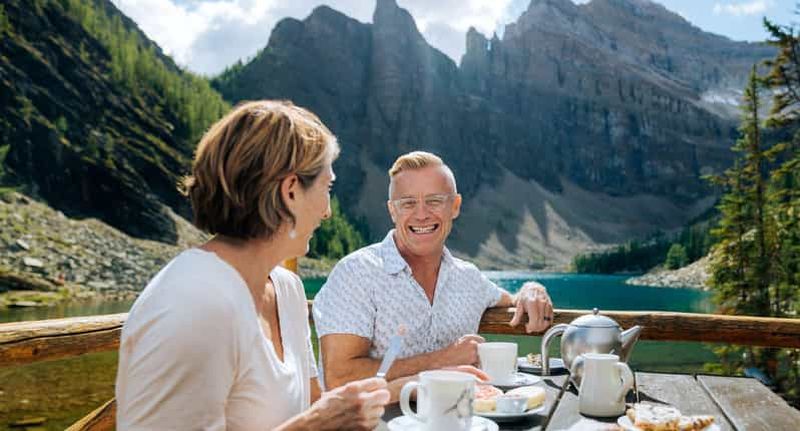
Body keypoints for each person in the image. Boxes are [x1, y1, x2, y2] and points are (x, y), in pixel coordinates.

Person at [115, 101, 390, 430]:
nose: (327, 212)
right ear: (290, 192)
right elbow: (315, 420)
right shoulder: (193, 304)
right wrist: (316, 425)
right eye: (326, 188)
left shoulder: (287, 289)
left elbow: (315, 403)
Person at [313, 151, 555, 393]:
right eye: (408, 203)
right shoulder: (356, 273)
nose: (421, 214)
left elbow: (512, 299)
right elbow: (340, 378)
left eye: (434, 201)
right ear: (392, 211)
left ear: (455, 206)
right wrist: (443, 360)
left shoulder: (469, 278)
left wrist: (532, 289)